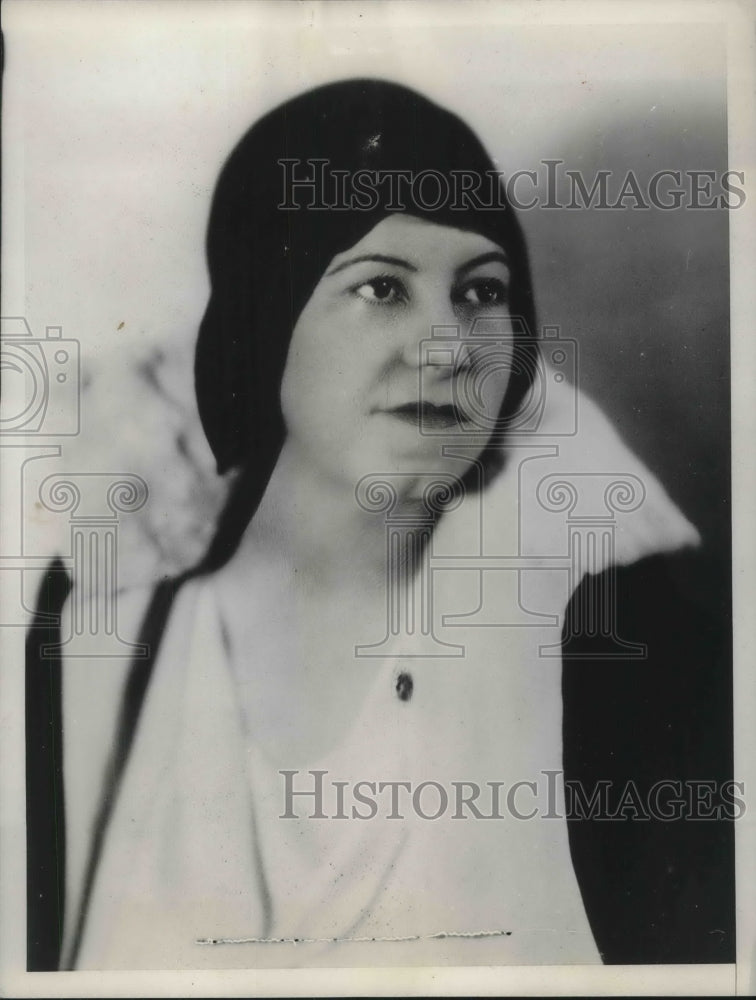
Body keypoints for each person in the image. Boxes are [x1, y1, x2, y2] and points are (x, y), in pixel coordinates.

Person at [26, 78, 734, 971]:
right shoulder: (97, 630)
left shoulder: (620, 633)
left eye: (481, 293)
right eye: (381, 289)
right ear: (264, 316)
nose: (445, 345)